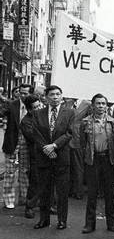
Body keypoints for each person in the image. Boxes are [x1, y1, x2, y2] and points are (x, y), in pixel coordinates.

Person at [30, 85, 75, 230]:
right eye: (52, 95)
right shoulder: (38, 113)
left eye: (57, 94)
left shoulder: (70, 113)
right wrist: (47, 149)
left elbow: (69, 133)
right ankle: (44, 220)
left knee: (62, 191)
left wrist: (54, 146)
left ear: (61, 96)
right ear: (46, 97)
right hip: (44, 156)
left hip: (61, 156)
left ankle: (62, 220)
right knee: (44, 190)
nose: (55, 97)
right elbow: (36, 133)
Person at [80, 94, 114, 233]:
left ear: (107, 106)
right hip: (92, 159)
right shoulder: (85, 122)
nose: (101, 106)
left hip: (108, 160)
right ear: (92, 105)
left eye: (103, 103)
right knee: (92, 193)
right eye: (98, 103)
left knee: (109, 193)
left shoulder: (113, 122)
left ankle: (112, 223)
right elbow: (82, 143)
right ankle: (90, 224)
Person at [2, 84, 33, 210]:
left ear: (30, 93)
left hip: (27, 144)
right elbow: (2, 111)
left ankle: (24, 198)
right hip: (12, 143)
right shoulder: (12, 104)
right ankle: (9, 199)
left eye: (26, 93)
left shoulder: (34, 106)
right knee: (9, 173)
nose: (23, 95)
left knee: (25, 172)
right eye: (21, 92)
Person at [19, 94, 43, 218]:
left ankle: (48, 205)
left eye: (39, 106)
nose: (39, 109)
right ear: (29, 109)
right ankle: (30, 207)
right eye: (35, 107)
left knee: (50, 180)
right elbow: (33, 137)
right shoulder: (26, 122)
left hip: (47, 153)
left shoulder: (44, 116)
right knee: (35, 182)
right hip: (36, 154)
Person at [69, 99, 92, 200]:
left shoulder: (86, 103)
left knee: (78, 167)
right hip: (69, 139)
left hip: (78, 140)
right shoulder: (69, 102)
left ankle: (78, 191)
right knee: (71, 168)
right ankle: (72, 190)